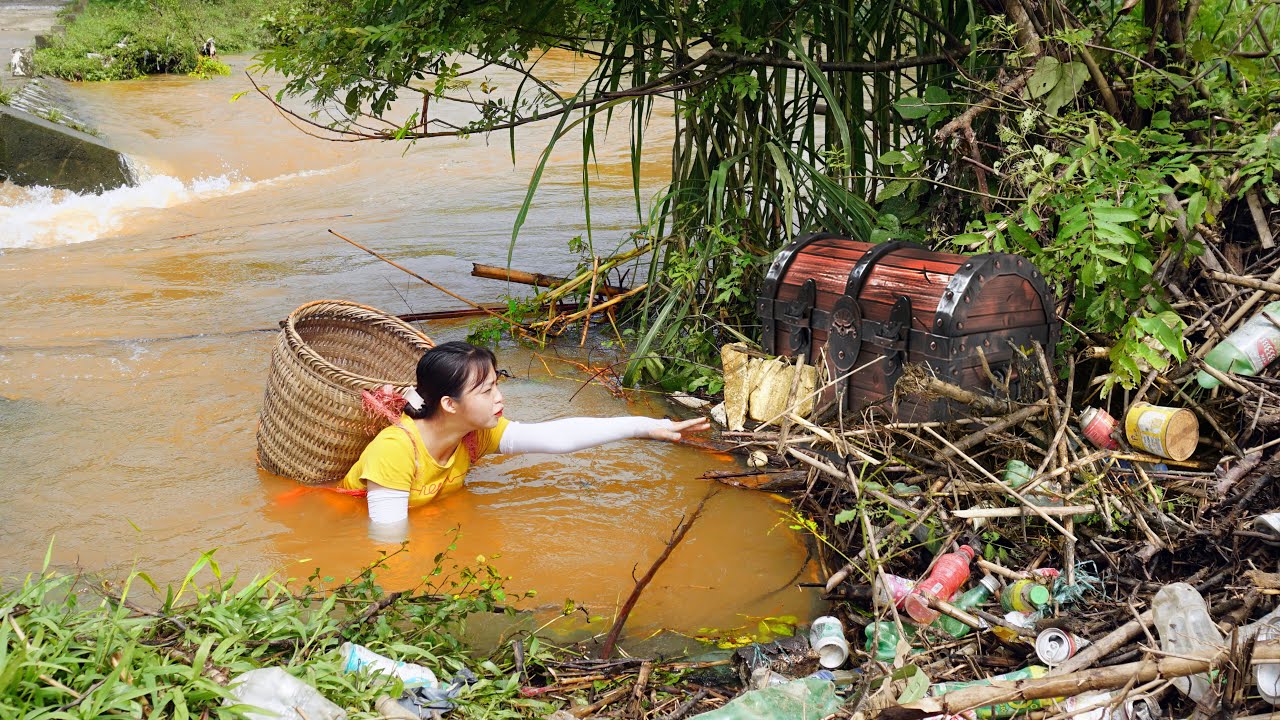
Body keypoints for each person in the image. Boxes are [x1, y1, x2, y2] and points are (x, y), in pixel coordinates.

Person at [340, 341, 708, 531]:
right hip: (344, 515)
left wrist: (647, 427)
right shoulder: (396, 451)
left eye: (497, 385)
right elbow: (387, 543)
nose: (498, 398)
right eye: (485, 391)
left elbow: (558, 437)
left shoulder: (473, 434)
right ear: (450, 404)